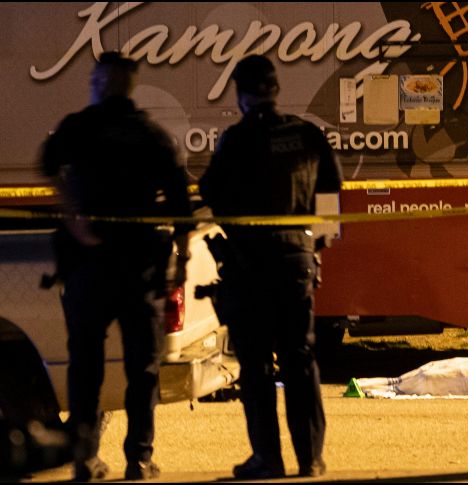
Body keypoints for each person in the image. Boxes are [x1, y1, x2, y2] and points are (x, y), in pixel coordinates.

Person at [39, 51, 192, 481]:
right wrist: (181, 261)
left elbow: (48, 168)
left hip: (87, 266)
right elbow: (181, 206)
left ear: (100, 83)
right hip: (139, 267)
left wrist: (74, 218)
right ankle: (139, 460)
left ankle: (85, 460)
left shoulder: (77, 128)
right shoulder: (152, 135)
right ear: (131, 84)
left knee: (84, 365)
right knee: (142, 367)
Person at [199, 54, 342, 479]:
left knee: (258, 365)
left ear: (241, 95)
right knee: (301, 358)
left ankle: (268, 458)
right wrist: (319, 244)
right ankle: (310, 458)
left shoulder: (236, 140)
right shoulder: (307, 135)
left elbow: (212, 193)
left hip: (250, 264)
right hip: (297, 257)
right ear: (276, 90)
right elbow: (331, 195)